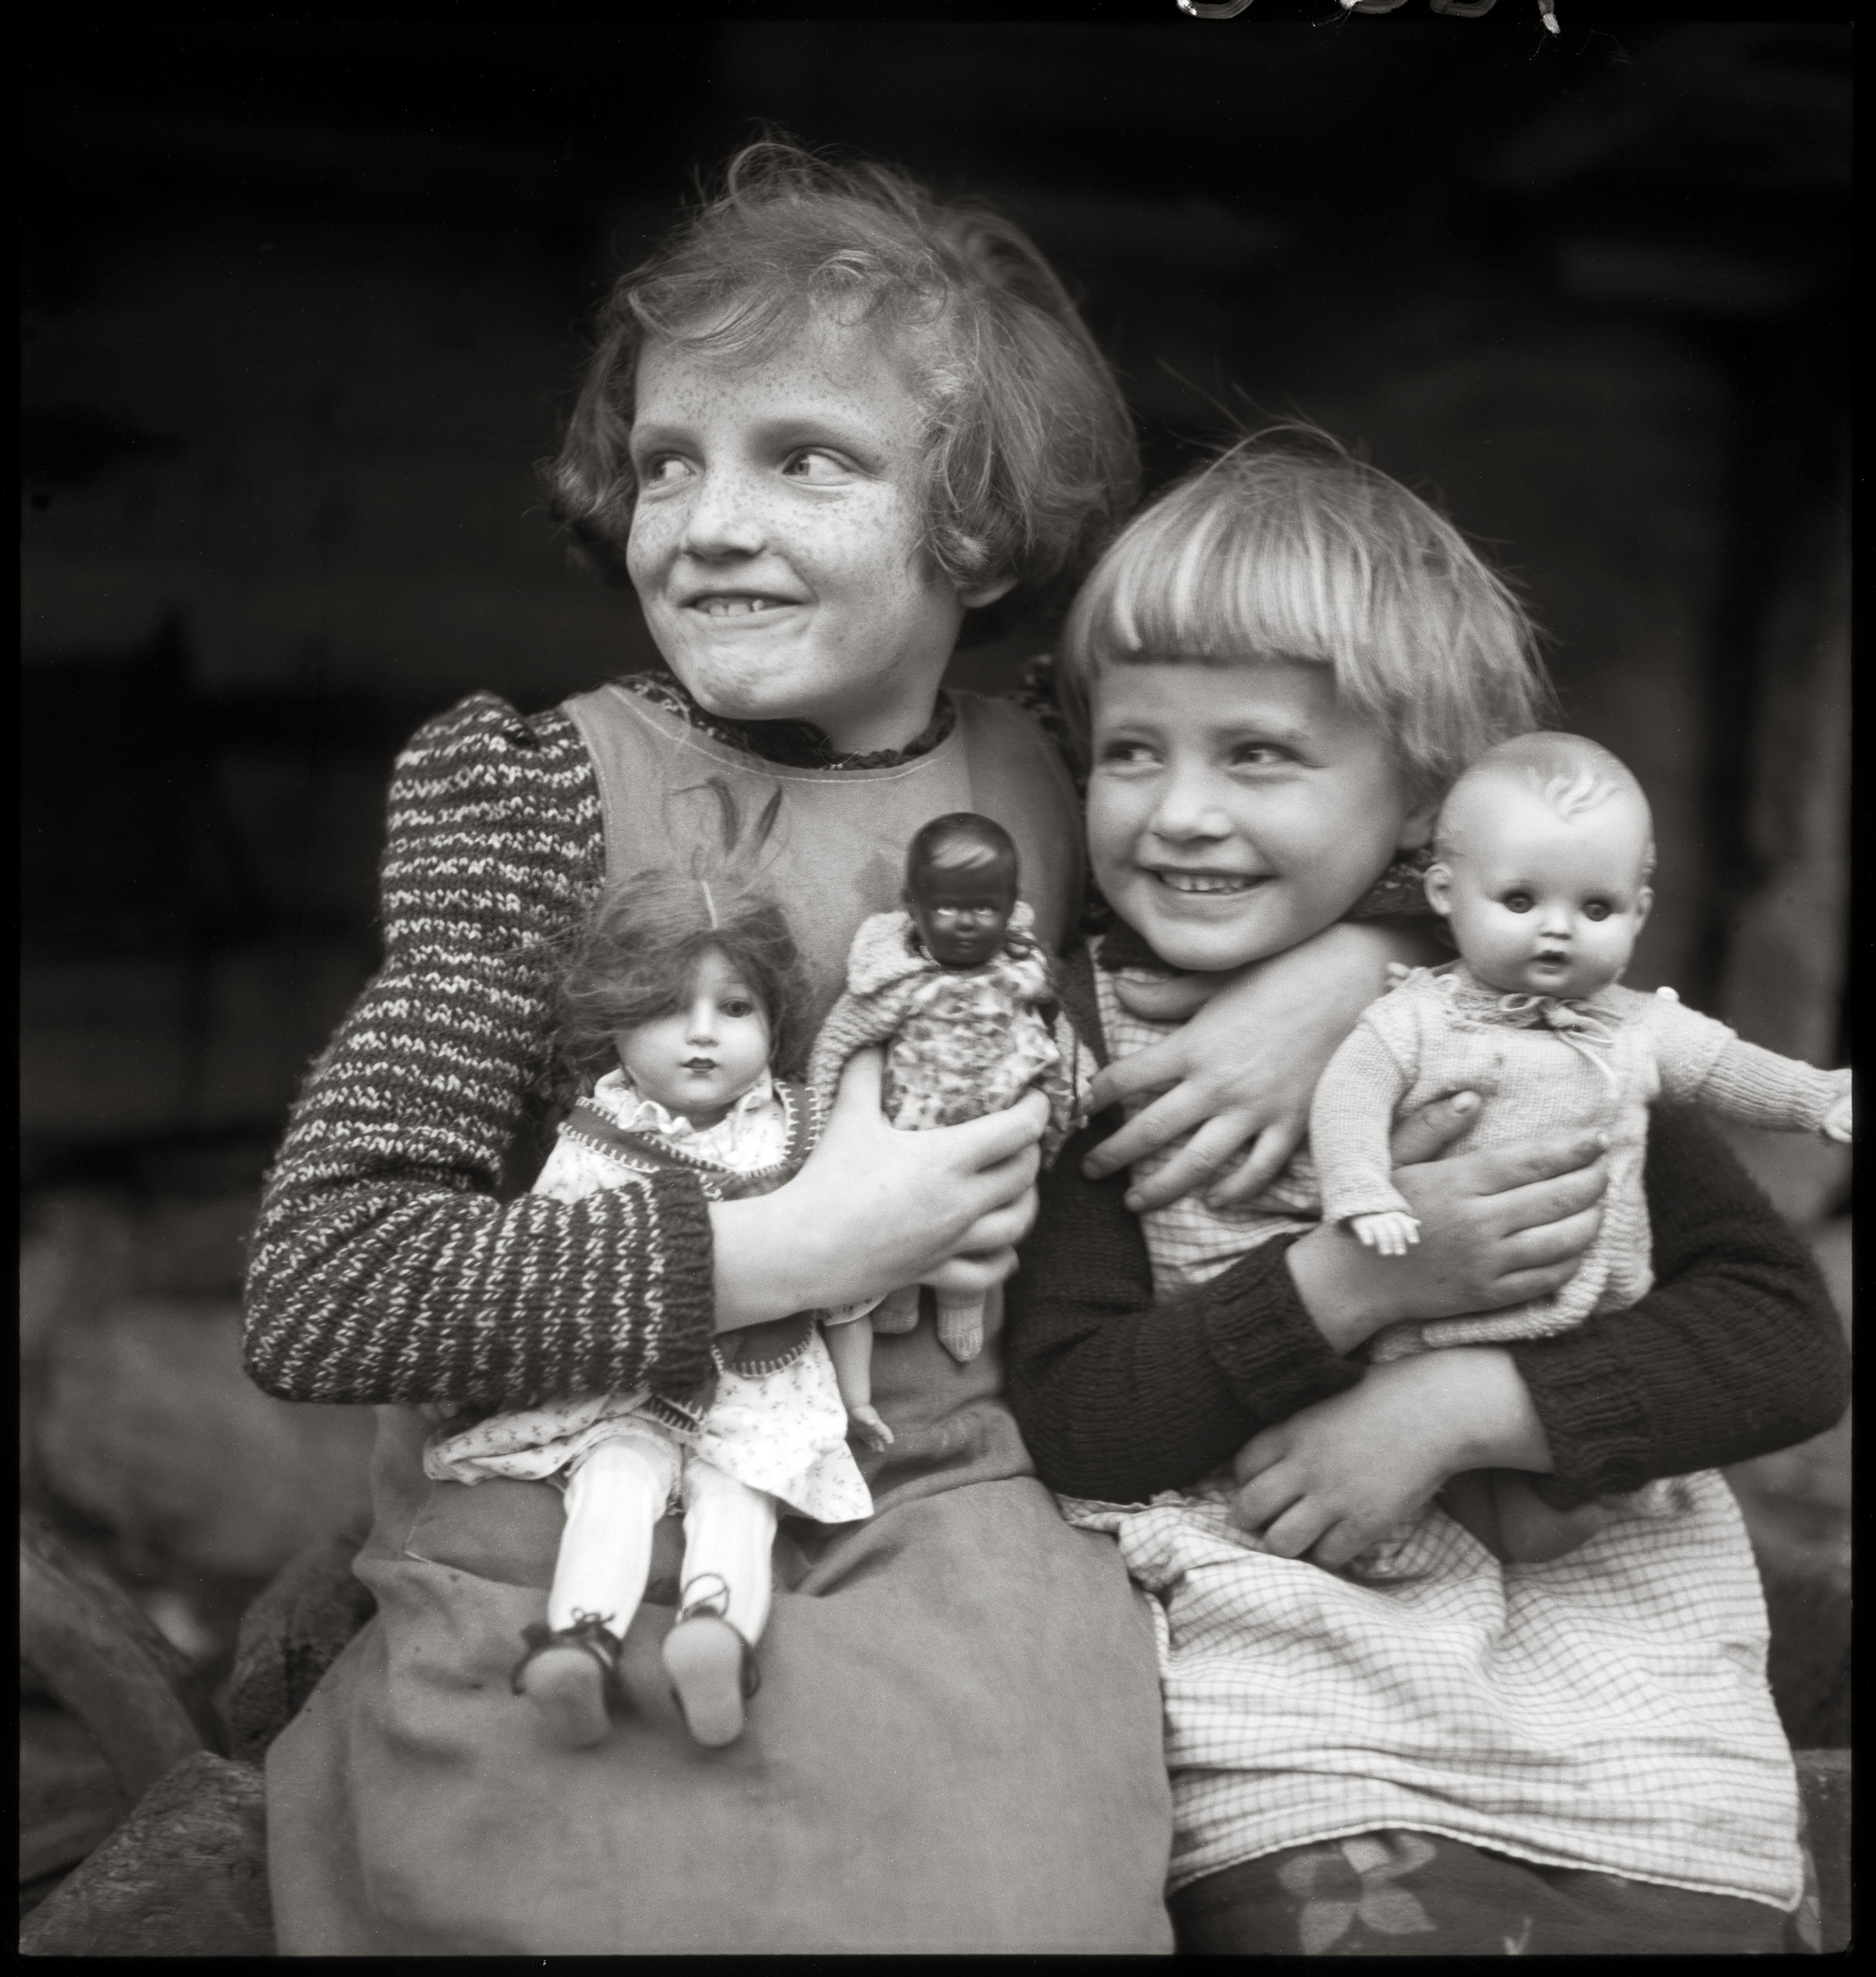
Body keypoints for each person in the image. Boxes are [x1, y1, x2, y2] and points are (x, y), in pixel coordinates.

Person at [242, 144, 1439, 1955]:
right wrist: (798, 1245)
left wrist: (1347, 962)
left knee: (1009, 1876)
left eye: (806, 457)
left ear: (975, 516)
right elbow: (327, 1283)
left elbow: (1461, 840)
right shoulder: (536, 793)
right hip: (589, 1491)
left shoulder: (1065, 758)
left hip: (948, 1492)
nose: (708, 519)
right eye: (667, 460)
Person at [1004, 432, 1851, 1956]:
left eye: (1253, 752)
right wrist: (1357, 1281)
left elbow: (1779, 1335)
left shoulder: (1551, 1038)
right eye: (1132, 749)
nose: (1178, 809)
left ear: (1422, 809)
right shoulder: (1085, 1058)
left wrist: (1458, 1405)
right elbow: (1075, 1417)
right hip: (1311, 1730)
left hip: (1637, 1725)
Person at [1308, 730, 1853, 1561]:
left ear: (1637, 911)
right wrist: (1360, 1187)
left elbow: (1729, 1069)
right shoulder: (1417, 1017)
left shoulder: (1635, 1027)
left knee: (1570, 1503)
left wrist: (1816, 1098)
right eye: (1520, 902)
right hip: (1434, 1312)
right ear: (1444, 893)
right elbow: (1348, 1094)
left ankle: (1520, 1503)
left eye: (1592, 909)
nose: (1556, 931)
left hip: (1584, 1327)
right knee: (1427, 1480)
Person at [424, 869, 892, 1752]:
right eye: (668, 1008)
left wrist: (858, 1396)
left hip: (765, 1383)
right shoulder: (594, 1136)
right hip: (627, 1388)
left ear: (775, 1020)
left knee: (739, 1499)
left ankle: (711, 1636)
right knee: (610, 1485)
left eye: (736, 1007)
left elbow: (848, 1278)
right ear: (613, 1019)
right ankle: (581, 1640)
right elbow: (548, 1277)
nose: (704, 1035)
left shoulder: (797, 1131)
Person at [806, 812, 1086, 1359]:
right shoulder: (899, 981)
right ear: (912, 905)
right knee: (896, 1235)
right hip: (904, 1139)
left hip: (992, 1139)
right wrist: (818, 1113)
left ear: (1010, 907)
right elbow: (840, 1037)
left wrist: (1077, 1087)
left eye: (983, 908)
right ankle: (895, 1298)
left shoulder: (1023, 972)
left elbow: (1059, 1033)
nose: (964, 923)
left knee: (980, 1230)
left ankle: (963, 1306)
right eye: (945, 907)